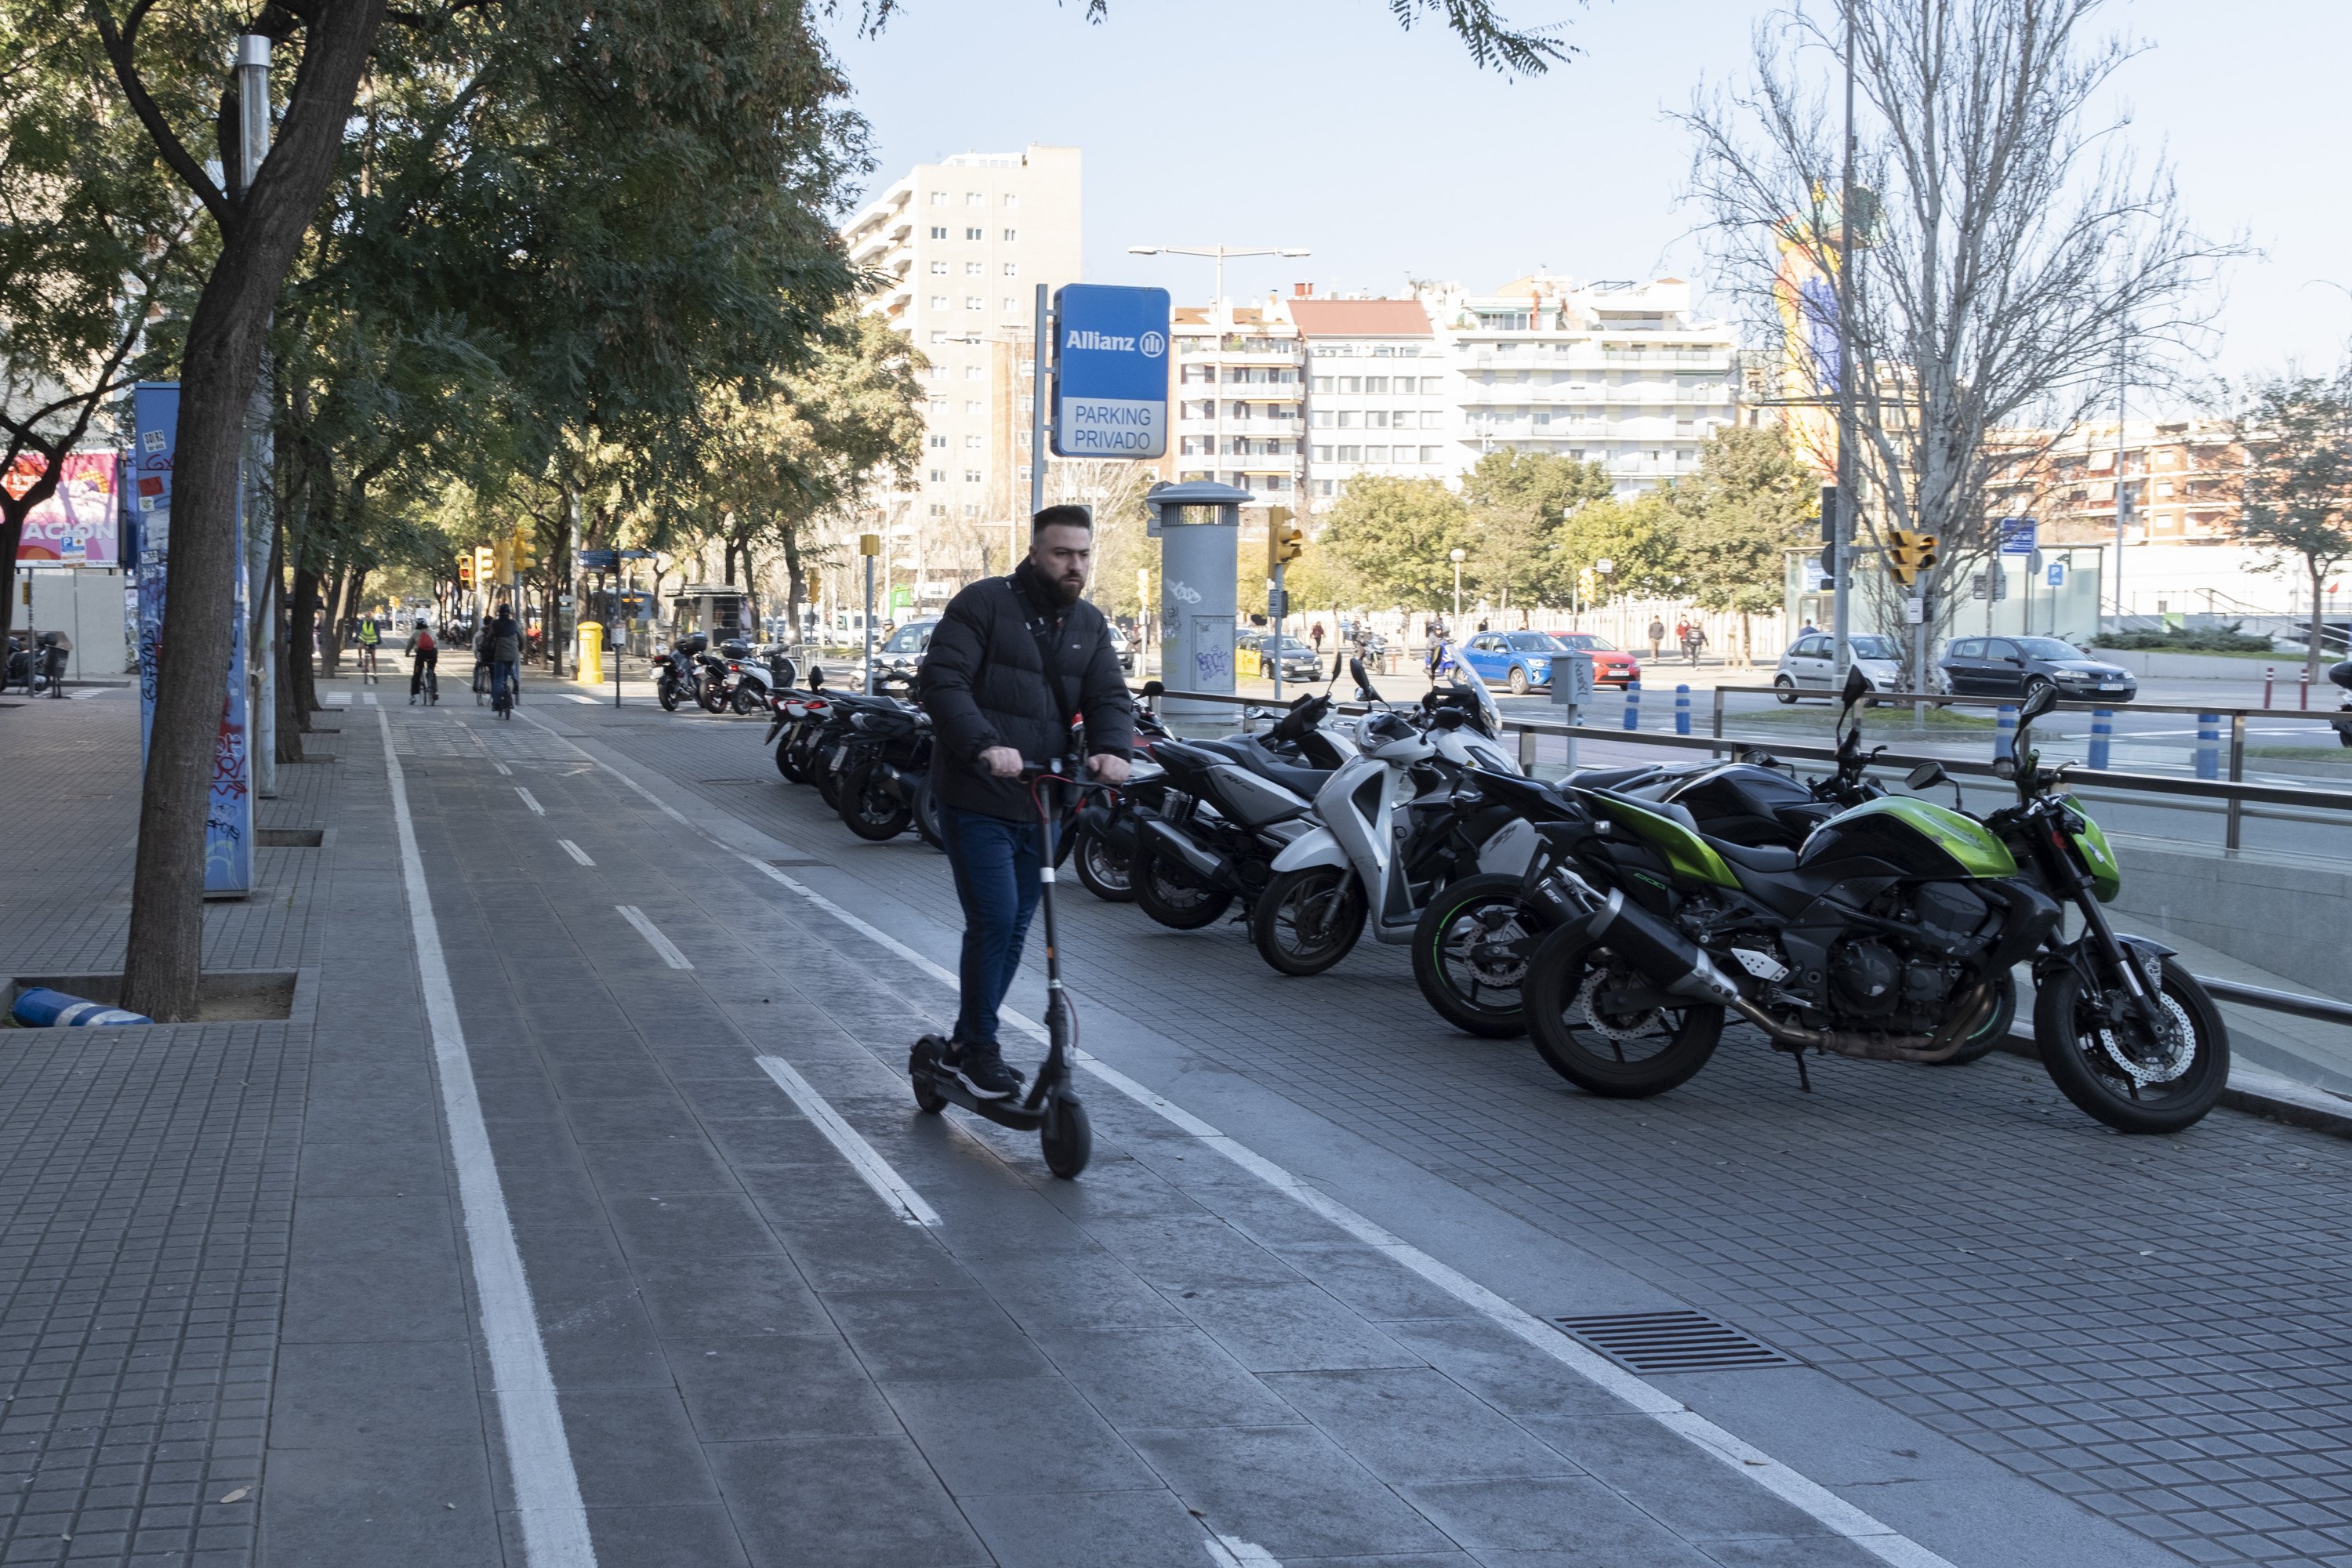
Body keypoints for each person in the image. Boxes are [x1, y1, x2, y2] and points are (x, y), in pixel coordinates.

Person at [917, 505, 1133, 1099]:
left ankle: (966, 1044)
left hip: (1043, 802)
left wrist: (1113, 748)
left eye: (1084, 554)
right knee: (994, 918)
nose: (1075, 565)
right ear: (1035, 552)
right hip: (978, 793)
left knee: (1014, 927)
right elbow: (942, 682)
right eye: (1063, 553)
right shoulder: (983, 604)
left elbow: (1110, 695)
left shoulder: (1088, 623)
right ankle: (979, 1046)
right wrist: (986, 745)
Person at [486, 603, 522, 713]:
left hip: (500, 654)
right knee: (510, 668)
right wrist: (519, 650)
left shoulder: (496, 624)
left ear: (499, 613)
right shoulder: (514, 623)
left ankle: (496, 703)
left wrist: (488, 649)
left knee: (498, 679)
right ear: (509, 613)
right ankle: (516, 681)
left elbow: (490, 638)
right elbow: (521, 638)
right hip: (513, 654)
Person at [406, 618, 438, 704]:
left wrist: (407, 654)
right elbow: (436, 644)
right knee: (432, 671)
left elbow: (409, 645)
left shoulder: (416, 633)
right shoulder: (432, 631)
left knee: (416, 674)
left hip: (421, 654)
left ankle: (413, 696)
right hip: (433, 653)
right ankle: (434, 691)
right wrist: (436, 655)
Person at [355, 609, 382, 683]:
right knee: (359, 646)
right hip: (364, 639)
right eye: (366, 616)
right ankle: (361, 661)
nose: (367, 618)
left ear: (372, 617)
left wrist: (378, 639)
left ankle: (375, 674)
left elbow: (377, 631)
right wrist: (356, 637)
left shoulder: (375, 622)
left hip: (372, 641)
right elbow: (359, 631)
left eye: (369, 616)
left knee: (373, 657)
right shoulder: (362, 622)